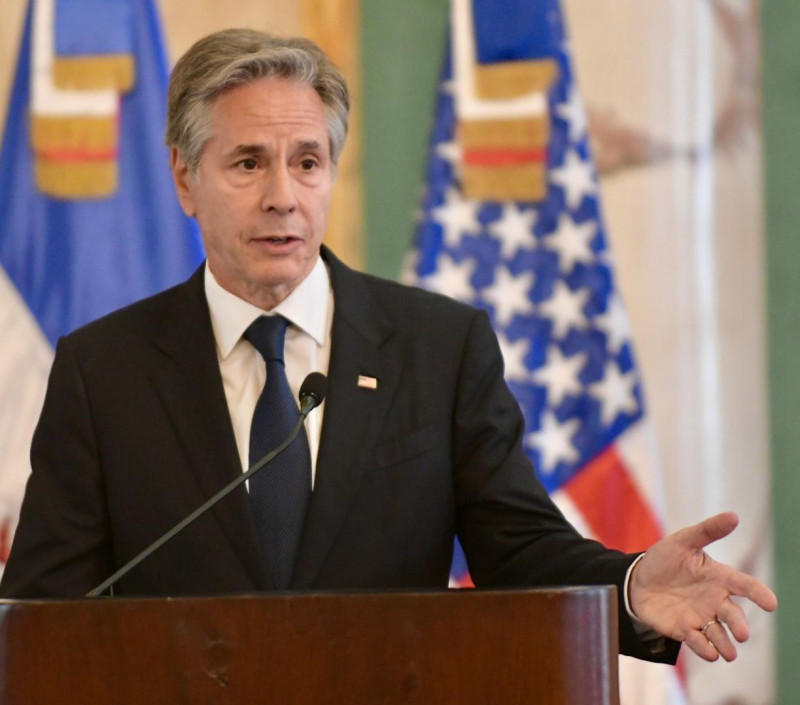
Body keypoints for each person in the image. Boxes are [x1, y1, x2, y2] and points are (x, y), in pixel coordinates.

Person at [0, 29, 775, 666]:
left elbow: (522, 550)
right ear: (182, 178)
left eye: (307, 162)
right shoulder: (104, 370)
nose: (283, 196)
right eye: (247, 163)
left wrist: (633, 583)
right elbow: (39, 617)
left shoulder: (439, 349)